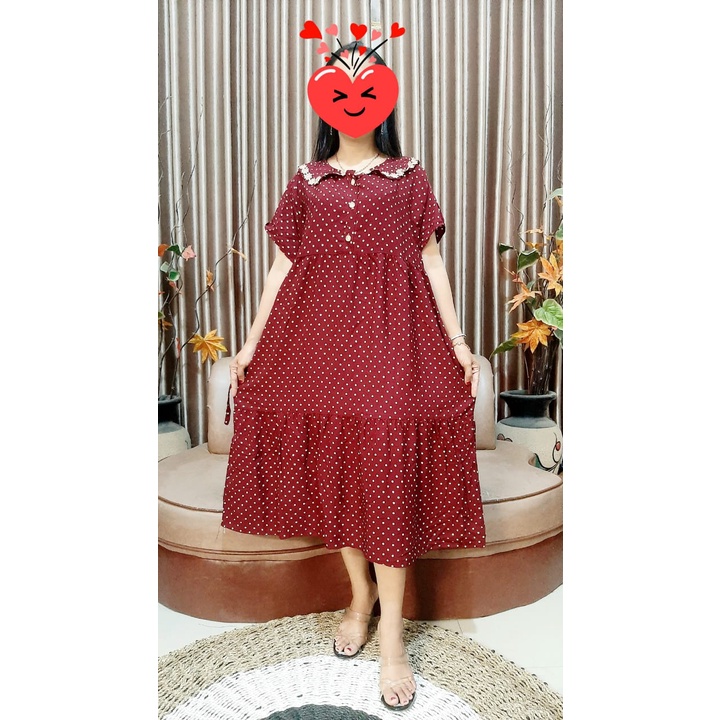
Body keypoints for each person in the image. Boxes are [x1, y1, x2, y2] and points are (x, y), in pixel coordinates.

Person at [222, 41, 486, 711]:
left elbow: (431, 264)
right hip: (316, 346)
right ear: (323, 102)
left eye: (367, 90)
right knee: (336, 469)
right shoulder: (306, 182)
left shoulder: (409, 178)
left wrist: (458, 343)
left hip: (395, 343)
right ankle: (360, 593)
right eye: (339, 90)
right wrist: (249, 346)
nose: (353, 102)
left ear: (384, 101)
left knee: (387, 479)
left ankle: (392, 637)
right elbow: (282, 268)